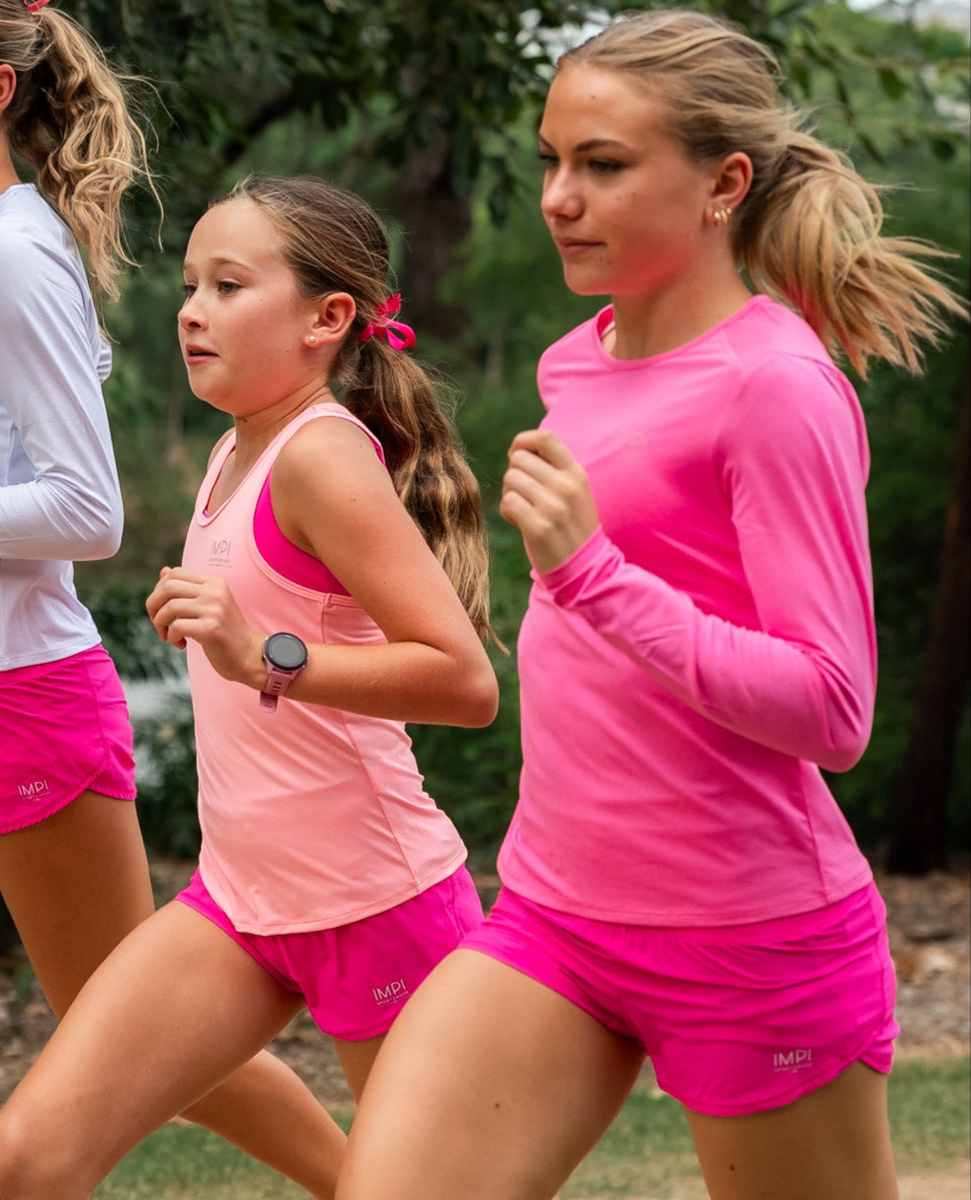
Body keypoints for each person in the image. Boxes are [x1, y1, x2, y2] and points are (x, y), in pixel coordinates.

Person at [335, 10, 969, 1200]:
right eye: (552, 161)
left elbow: (834, 710)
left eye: (604, 165)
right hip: (556, 915)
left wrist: (594, 576)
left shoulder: (777, 388)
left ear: (724, 182)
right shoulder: (577, 359)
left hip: (751, 941)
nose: (560, 198)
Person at [0, 2, 352, 1191]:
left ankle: (373, 1182)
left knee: (130, 1034)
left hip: (17, 701)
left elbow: (89, 513)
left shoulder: (9, 251)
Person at [0, 174, 500, 1199]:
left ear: (327, 318)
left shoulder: (322, 460)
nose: (190, 309)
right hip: (242, 901)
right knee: (31, 1157)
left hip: (380, 903)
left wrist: (268, 656)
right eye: (188, 285)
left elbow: (464, 681)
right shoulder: (233, 447)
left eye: (227, 285)